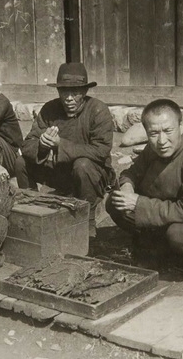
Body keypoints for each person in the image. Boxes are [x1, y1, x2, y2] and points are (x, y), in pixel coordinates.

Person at [106, 99, 183, 287]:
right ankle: (157, 248)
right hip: (167, 211)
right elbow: (130, 173)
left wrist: (138, 204)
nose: (161, 141)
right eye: (153, 133)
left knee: (177, 234)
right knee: (115, 202)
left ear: (181, 127)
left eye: (168, 131)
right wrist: (127, 187)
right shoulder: (153, 148)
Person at [14, 62, 115, 236]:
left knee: (82, 165)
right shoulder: (49, 109)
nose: (69, 98)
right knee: (21, 162)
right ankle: (33, 209)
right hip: (60, 173)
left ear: (84, 92)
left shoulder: (98, 110)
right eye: (64, 92)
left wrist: (60, 145)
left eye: (75, 92)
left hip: (92, 176)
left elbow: (101, 151)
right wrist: (42, 145)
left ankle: (88, 221)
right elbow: (28, 143)